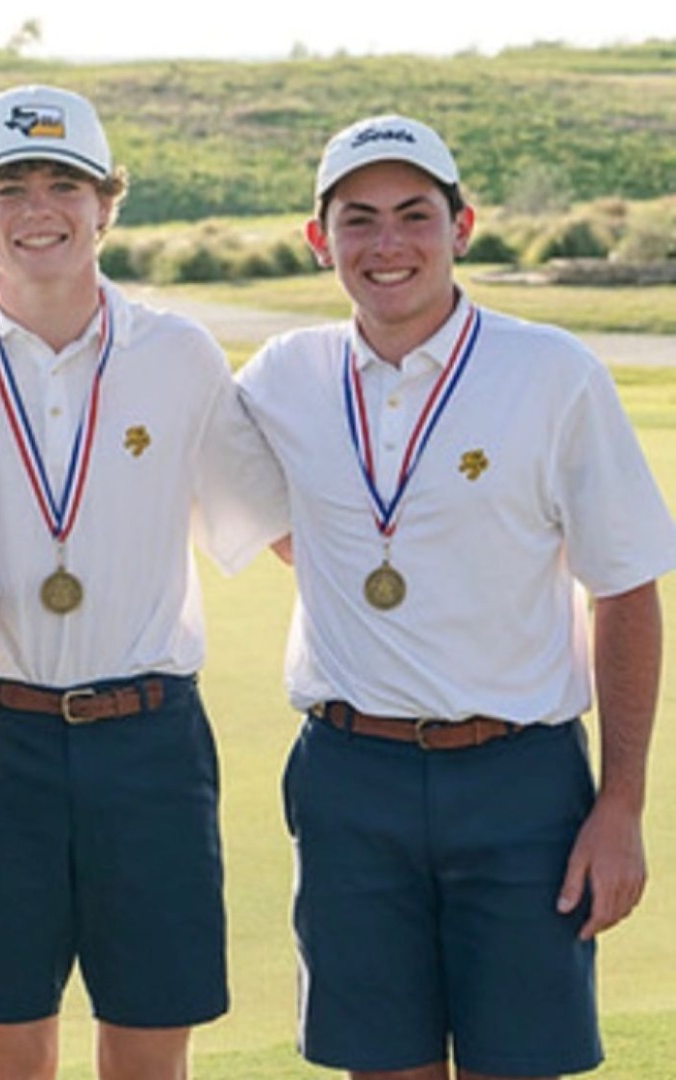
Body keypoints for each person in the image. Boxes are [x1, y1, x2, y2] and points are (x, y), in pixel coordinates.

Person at [237, 114, 676, 1080]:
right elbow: (261, 517)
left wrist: (623, 804)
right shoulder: (282, 377)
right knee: (382, 1069)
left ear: (461, 225)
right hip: (351, 776)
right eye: (358, 220)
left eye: (414, 215)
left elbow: (627, 590)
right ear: (321, 241)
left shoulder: (554, 372)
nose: (387, 244)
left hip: (519, 783)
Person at [0, 86, 288, 1080]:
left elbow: (286, 531)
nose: (39, 208)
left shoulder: (180, 355)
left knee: (150, 1046)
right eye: (10, 187)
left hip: (149, 738)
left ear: (106, 205)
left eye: (63, 185)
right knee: (4, 1048)